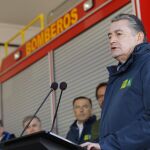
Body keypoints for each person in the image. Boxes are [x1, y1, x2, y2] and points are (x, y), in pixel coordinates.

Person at [81, 13, 150, 150]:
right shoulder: (117, 75)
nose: (112, 40)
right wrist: (96, 144)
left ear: (139, 37)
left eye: (119, 34)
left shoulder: (147, 64)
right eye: (110, 36)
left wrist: (108, 145)